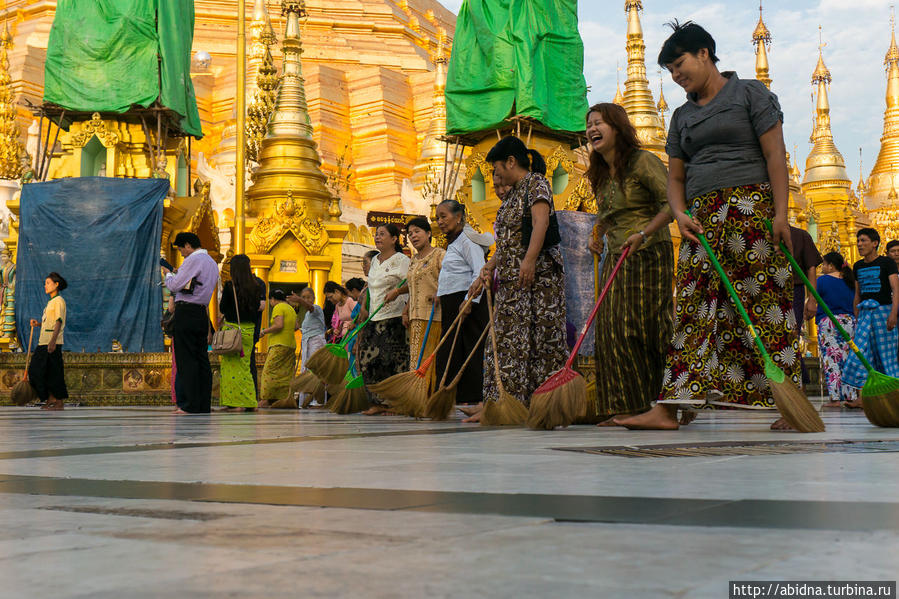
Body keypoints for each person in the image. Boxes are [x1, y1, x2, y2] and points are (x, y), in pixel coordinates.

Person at [617, 21, 799, 430]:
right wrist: (679, 214)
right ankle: (669, 407)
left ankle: (788, 403)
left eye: (679, 65)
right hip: (700, 220)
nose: (676, 76)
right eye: (669, 71)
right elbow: (676, 179)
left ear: (704, 54)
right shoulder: (680, 116)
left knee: (765, 305)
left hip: (751, 209)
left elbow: (775, 156)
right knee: (694, 311)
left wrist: (782, 213)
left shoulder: (750, 93)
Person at [585, 103, 674, 424]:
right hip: (617, 255)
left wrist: (643, 231)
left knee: (644, 327)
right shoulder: (599, 173)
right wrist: (600, 233)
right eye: (589, 124)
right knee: (611, 330)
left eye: (600, 123)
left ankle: (667, 405)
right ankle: (625, 406)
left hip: (649, 253)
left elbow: (673, 203)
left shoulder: (643, 161)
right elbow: (610, 215)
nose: (592, 129)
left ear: (618, 128)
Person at [468, 136, 568, 423]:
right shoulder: (513, 194)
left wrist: (530, 259)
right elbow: (509, 240)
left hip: (538, 279)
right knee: (508, 342)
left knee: (540, 341)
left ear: (511, 162)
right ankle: (501, 402)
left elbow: (541, 222)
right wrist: (490, 265)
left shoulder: (536, 183)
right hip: (514, 281)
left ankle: (541, 404)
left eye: (498, 168)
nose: (497, 175)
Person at [435, 203, 489, 407]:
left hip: (468, 302)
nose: (439, 222)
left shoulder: (468, 240)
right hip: (452, 302)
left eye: (443, 216)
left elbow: (480, 271)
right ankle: (452, 398)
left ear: (458, 217)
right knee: (450, 350)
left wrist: (470, 301)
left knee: (470, 349)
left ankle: (473, 398)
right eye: (437, 218)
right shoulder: (454, 243)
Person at [163, 232, 219, 414]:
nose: (181, 254)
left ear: (188, 245)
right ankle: (202, 404)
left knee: (186, 360)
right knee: (201, 359)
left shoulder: (193, 260)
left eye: (181, 249)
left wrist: (168, 275)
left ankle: (188, 404)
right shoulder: (211, 261)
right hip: (201, 312)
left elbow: (174, 285)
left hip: (187, 311)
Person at [358, 224, 410, 414]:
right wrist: (364, 308)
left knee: (393, 361)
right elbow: (371, 289)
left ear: (394, 238)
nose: (377, 237)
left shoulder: (402, 260)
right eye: (376, 234)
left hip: (394, 317)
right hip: (374, 317)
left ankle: (395, 403)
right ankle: (377, 402)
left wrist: (398, 294)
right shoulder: (374, 261)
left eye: (382, 234)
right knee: (368, 360)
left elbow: (411, 283)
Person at [841, 228, 899, 392]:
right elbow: (857, 294)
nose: (859, 244)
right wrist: (857, 317)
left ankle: (894, 393)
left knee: (886, 356)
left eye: (863, 241)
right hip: (865, 313)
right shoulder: (858, 265)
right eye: (858, 241)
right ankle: (864, 395)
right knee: (860, 354)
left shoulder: (887, 263)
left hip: (883, 312)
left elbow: (896, 290)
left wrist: (893, 314)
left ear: (875, 244)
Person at [805, 252, 858, 408]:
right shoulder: (850, 281)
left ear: (831, 265)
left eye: (824, 265)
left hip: (829, 322)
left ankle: (835, 399)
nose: (823, 268)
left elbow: (811, 302)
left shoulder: (822, 281)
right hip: (850, 322)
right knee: (848, 360)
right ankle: (850, 396)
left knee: (831, 360)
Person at [217, 254, 261, 412]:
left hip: (233, 331)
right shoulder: (256, 286)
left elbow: (223, 308)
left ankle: (236, 403)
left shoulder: (230, 287)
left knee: (230, 368)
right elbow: (257, 308)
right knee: (245, 367)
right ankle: (249, 402)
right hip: (249, 331)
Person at [401, 217, 445, 375]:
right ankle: (416, 395)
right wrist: (406, 310)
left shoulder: (439, 255)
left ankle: (428, 396)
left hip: (434, 316)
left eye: (417, 231)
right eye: (410, 233)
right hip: (415, 317)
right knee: (415, 360)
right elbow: (413, 287)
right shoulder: (413, 260)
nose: (413, 236)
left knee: (428, 361)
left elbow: (450, 280)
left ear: (428, 233)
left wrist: (440, 293)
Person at [28, 272, 68, 411]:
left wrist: (52, 341)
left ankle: (58, 401)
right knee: (40, 371)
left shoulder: (59, 301)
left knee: (54, 372)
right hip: (43, 341)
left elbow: (58, 322)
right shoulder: (50, 302)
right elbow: (50, 322)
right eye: (45, 283)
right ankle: (50, 398)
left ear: (56, 284)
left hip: (51, 343)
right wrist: (38, 324)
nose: (45, 286)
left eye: (48, 283)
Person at [790, 225, 822, 385]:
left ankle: (801, 380)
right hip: (766, 289)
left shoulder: (800, 235)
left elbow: (811, 268)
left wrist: (812, 299)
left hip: (793, 290)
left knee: (792, 334)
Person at [258, 288, 298, 407]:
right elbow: (296, 326)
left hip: (279, 344)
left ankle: (266, 399)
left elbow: (279, 325)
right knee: (285, 374)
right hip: (290, 345)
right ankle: (281, 399)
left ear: (273, 299)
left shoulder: (278, 307)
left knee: (268, 371)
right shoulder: (291, 309)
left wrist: (264, 331)